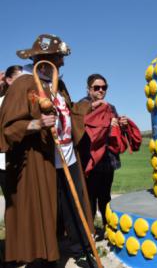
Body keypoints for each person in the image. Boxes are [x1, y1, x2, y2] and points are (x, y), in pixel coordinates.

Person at [0, 34, 95, 267]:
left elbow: (69, 113)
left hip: (67, 157)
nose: (61, 62)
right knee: (43, 209)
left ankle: (81, 249)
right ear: (43, 58)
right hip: (40, 161)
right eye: (58, 57)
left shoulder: (58, 85)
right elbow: (8, 127)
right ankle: (43, 257)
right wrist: (37, 124)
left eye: (60, 58)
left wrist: (87, 104)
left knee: (73, 205)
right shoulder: (23, 84)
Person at [79, 73, 127, 239]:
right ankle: (89, 233)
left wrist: (121, 125)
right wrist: (105, 125)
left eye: (104, 87)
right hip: (90, 158)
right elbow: (83, 129)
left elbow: (114, 133)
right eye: (96, 87)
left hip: (107, 158)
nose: (101, 90)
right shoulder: (82, 106)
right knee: (90, 197)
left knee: (105, 196)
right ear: (88, 89)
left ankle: (108, 228)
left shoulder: (110, 107)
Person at [0, 65, 23, 196]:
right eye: (20, 78)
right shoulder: (2, 101)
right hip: (5, 163)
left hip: (23, 162)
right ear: (9, 80)